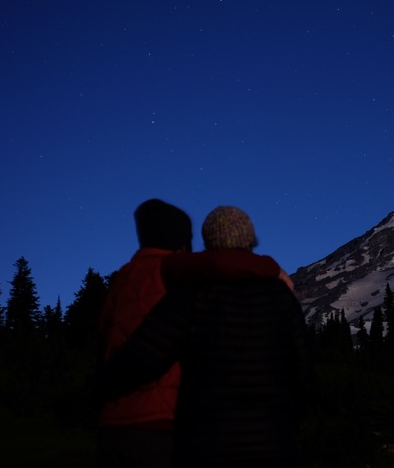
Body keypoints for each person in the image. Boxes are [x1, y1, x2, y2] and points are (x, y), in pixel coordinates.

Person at [97, 206, 313, 467]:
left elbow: (147, 354)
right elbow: (302, 369)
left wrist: (98, 387)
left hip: (208, 440)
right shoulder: (280, 297)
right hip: (275, 437)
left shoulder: (192, 293)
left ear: (208, 243)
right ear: (250, 240)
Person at [97, 198, 193, 468]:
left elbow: (103, 336)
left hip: (111, 422)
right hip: (160, 422)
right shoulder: (176, 273)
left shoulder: (122, 279)